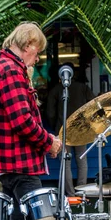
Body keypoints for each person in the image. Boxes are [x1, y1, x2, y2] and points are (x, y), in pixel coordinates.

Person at [0, 22, 62, 220]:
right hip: (19, 162)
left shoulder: (0, 65)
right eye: (38, 52)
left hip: (9, 162)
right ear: (29, 45)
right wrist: (48, 142)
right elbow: (23, 122)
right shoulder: (10, 70)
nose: (37, 58)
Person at [46, 63, 94, 196]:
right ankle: (81, 191)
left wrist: (54, 126)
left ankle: (70, 193)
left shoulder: (56, 89)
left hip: (62, 130)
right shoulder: (83, 88)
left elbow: (50, 112)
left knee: (65, 162)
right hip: (81, 129)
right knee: (82, 160)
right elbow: (94, 104)